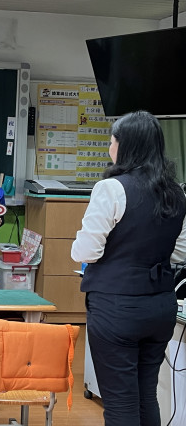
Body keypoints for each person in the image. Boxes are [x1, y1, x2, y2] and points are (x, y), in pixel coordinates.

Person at [71, 111, 186, 426]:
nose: (110, 148)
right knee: (146, 395)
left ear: (125, 146)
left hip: (116, 306)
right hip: (161, 305)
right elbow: (180, 251)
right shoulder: (176, 191)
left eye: (112, 142)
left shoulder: (111, 188)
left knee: (121, 403)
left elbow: (85, 252)